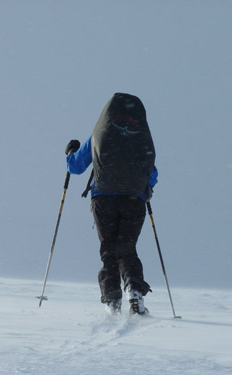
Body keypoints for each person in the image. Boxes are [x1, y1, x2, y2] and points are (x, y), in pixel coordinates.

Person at [65, 93, 158, 315]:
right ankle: (134, 290)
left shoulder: (99, 136)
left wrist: (70, 152)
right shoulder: (140, 140)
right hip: (134, 200)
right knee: (127, 248)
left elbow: (76, 167)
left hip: (103, 198)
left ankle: (111, 298)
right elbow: (152, 175)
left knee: (108, 249)